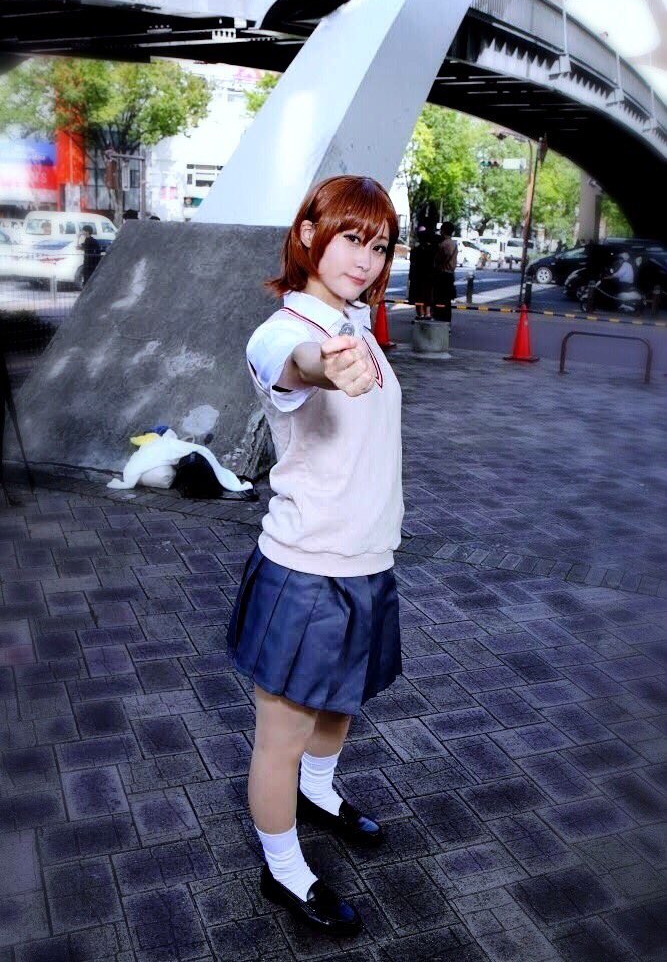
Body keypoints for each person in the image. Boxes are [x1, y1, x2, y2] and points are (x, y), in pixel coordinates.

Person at [227, 175, 404, 937]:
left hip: (365, 560)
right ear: (307, 236)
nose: (364, 259)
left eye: (379, 246)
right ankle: (283, 870)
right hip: (305, 570)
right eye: (349, 238)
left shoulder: (355, 321)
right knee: (282, 736)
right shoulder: (285, 331)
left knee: (341, 703)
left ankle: (320, 794)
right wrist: (320, 363)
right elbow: (295, 361)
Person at [408, 225, 435, 320]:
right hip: (428, 275)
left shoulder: (416, 249)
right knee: (427, 294)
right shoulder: (431, 249)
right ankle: (427, 313)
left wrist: (411, 276)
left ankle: (420, 313)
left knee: (418, 295)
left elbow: (413, 263)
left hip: (418, 276)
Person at [433, 220, 457, 322]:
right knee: (447, 302)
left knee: (440, 300)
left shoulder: (443, 244)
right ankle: (447, 322)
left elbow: (438, 260)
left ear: (443, 231)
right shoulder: (454, 244)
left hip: (442, 275)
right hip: (450, 274)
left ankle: (440, 321)